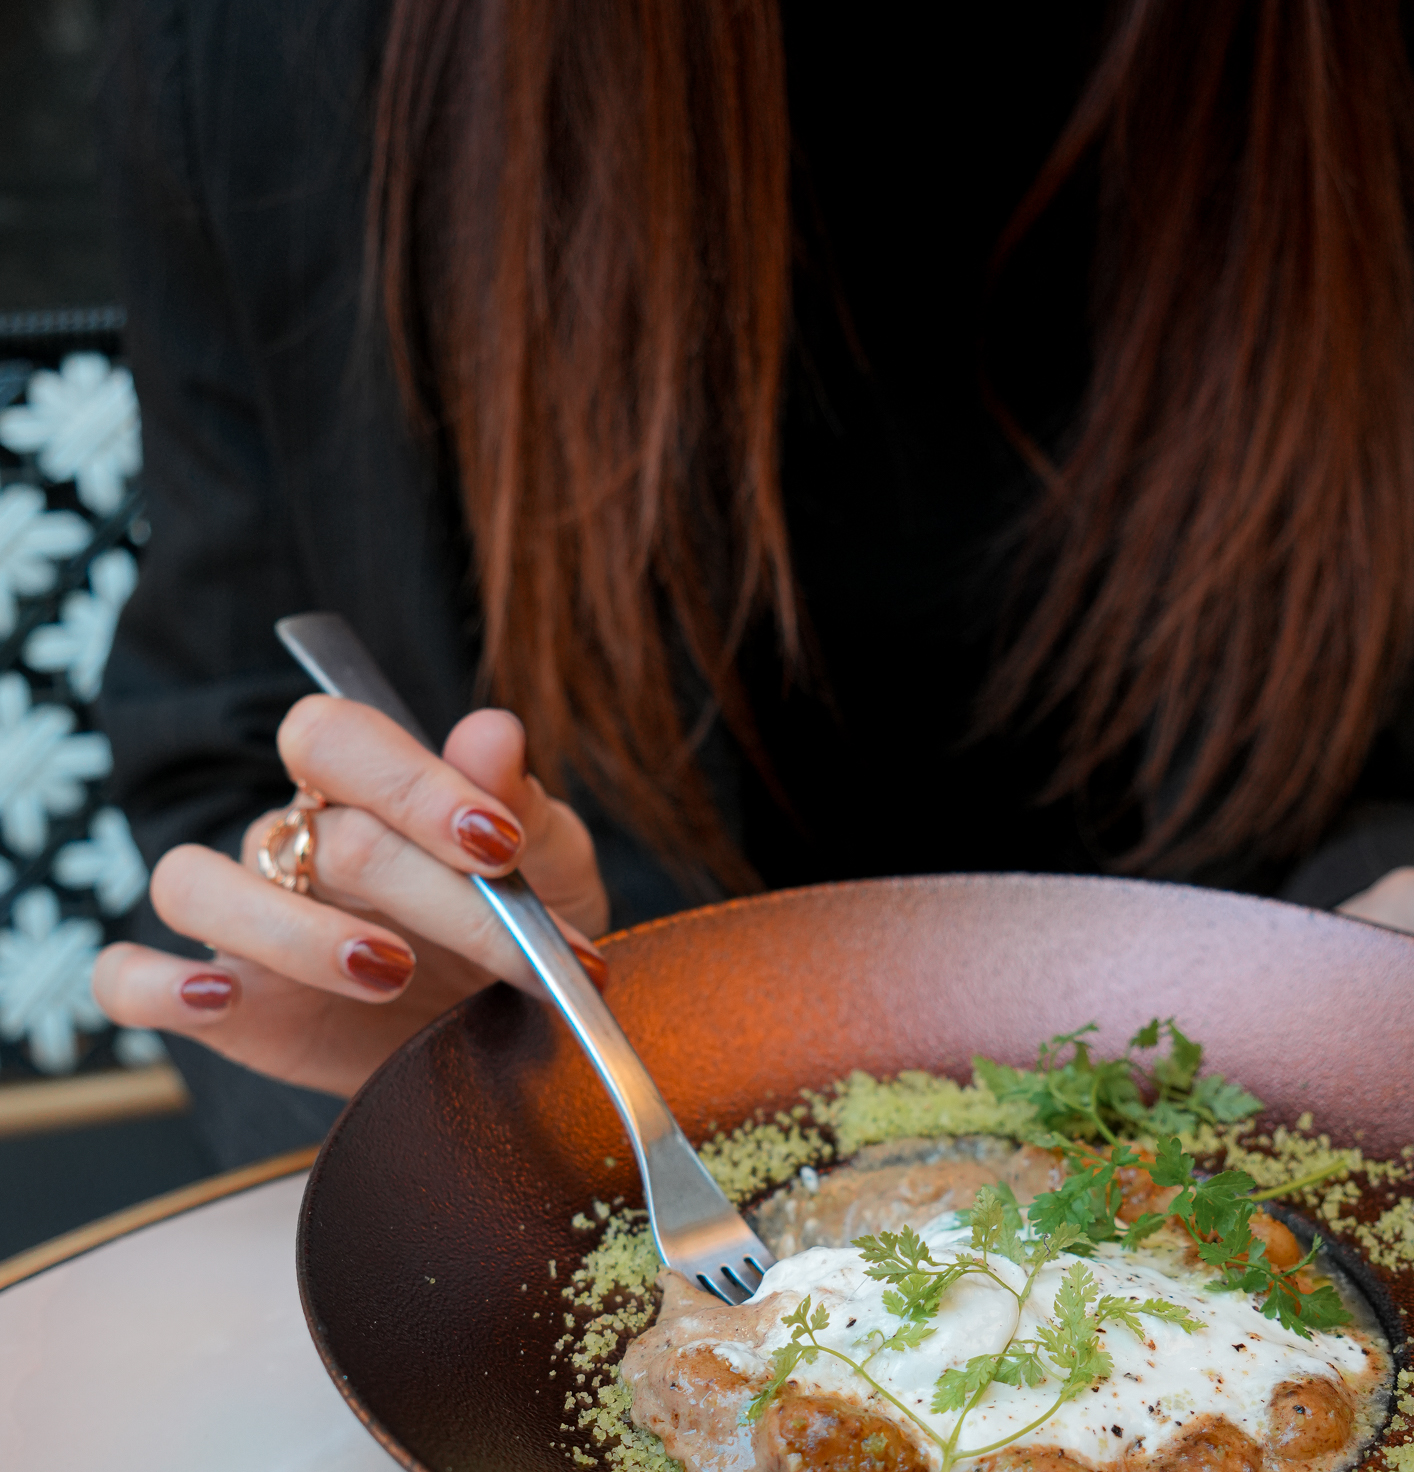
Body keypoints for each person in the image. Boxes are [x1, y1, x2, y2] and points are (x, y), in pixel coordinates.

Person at [92, 0, 1414, 1170]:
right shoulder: (278, 45)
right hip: (638, 1206)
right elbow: (227, 729)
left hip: (1291, 1188)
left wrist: (1373, 967)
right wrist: (438, 1036)